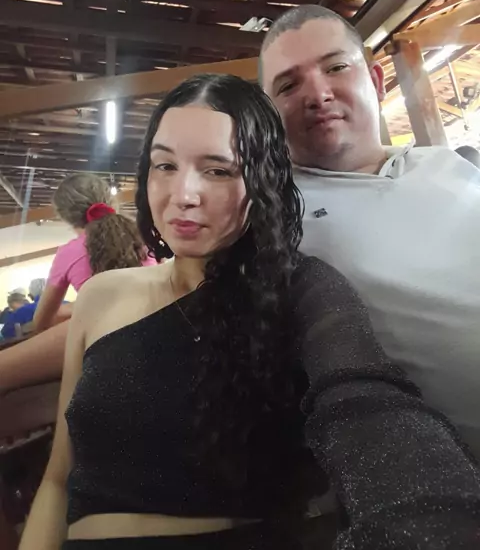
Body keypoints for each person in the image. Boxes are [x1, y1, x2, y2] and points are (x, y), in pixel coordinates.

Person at [21, 74, 480, 550]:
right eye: (165, 165)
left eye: (218, 170)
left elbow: (365, 401)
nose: (183, 194)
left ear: (262, 182)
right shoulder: (99, 297)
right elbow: (57, 479)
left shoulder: (300, 291)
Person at [259, 4, 480, 459]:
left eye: (336, 67)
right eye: (288, 85)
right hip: (443, 475)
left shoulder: (451, 163)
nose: (318, 94)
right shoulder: (270, 216)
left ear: (376, 81)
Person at [0, 174, 156, 394]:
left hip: (106, 338)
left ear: (64, 215)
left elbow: (41, 321)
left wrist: (76, 309)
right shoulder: (146, 239)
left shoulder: (69, 252)